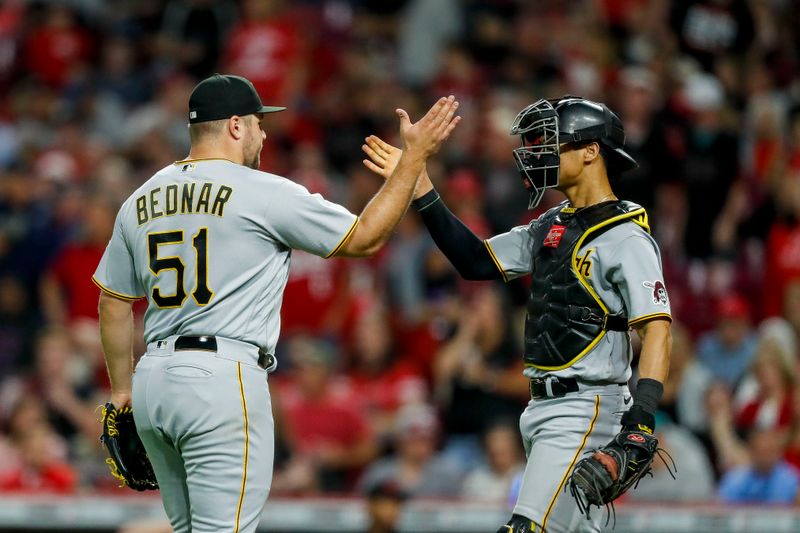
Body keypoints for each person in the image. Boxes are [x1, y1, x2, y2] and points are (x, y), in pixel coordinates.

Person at [92, 73, 459, 533]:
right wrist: (413, 162)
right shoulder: (260, 191)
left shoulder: (140, 198)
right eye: (259, 122)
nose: (265, 133)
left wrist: (122, 393)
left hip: (152, 382)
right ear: (235, 126)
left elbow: (113, 302)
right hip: (220, 379)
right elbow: (364, 239)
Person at [363, 95, 672, 533]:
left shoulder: (625, 237)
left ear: (590, 151)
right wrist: (420, 186)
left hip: (586, 407)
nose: (540, 153)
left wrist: (642, 418)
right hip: (544, 407)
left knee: (525, 529)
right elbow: (476, 261)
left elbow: (657, 329)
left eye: (553, 143)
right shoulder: (552, 223)